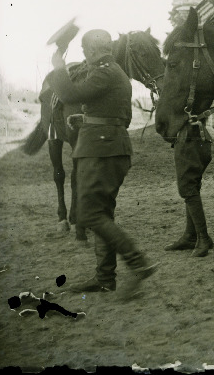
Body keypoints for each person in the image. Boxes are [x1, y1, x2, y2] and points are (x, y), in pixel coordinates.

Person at [47, 29, 158, 299]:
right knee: (101, 213)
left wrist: (59, 65)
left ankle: (138, 263)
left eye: (85, 52)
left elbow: (70, 94)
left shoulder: (105, 71)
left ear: (94, 50)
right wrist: (84, 121)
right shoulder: (113, 72)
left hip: (102, 152)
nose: (84, 57)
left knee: (89, 215)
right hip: (106, 148)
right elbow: (114, 114)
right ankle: (105, 278)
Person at [164, 121, 214, 257]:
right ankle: (190, 236)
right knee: (193, 187)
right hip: (203, 139)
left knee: (187, 188)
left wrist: (170, 136)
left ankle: (203, 239)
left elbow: (162, 123)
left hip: (187, 140)